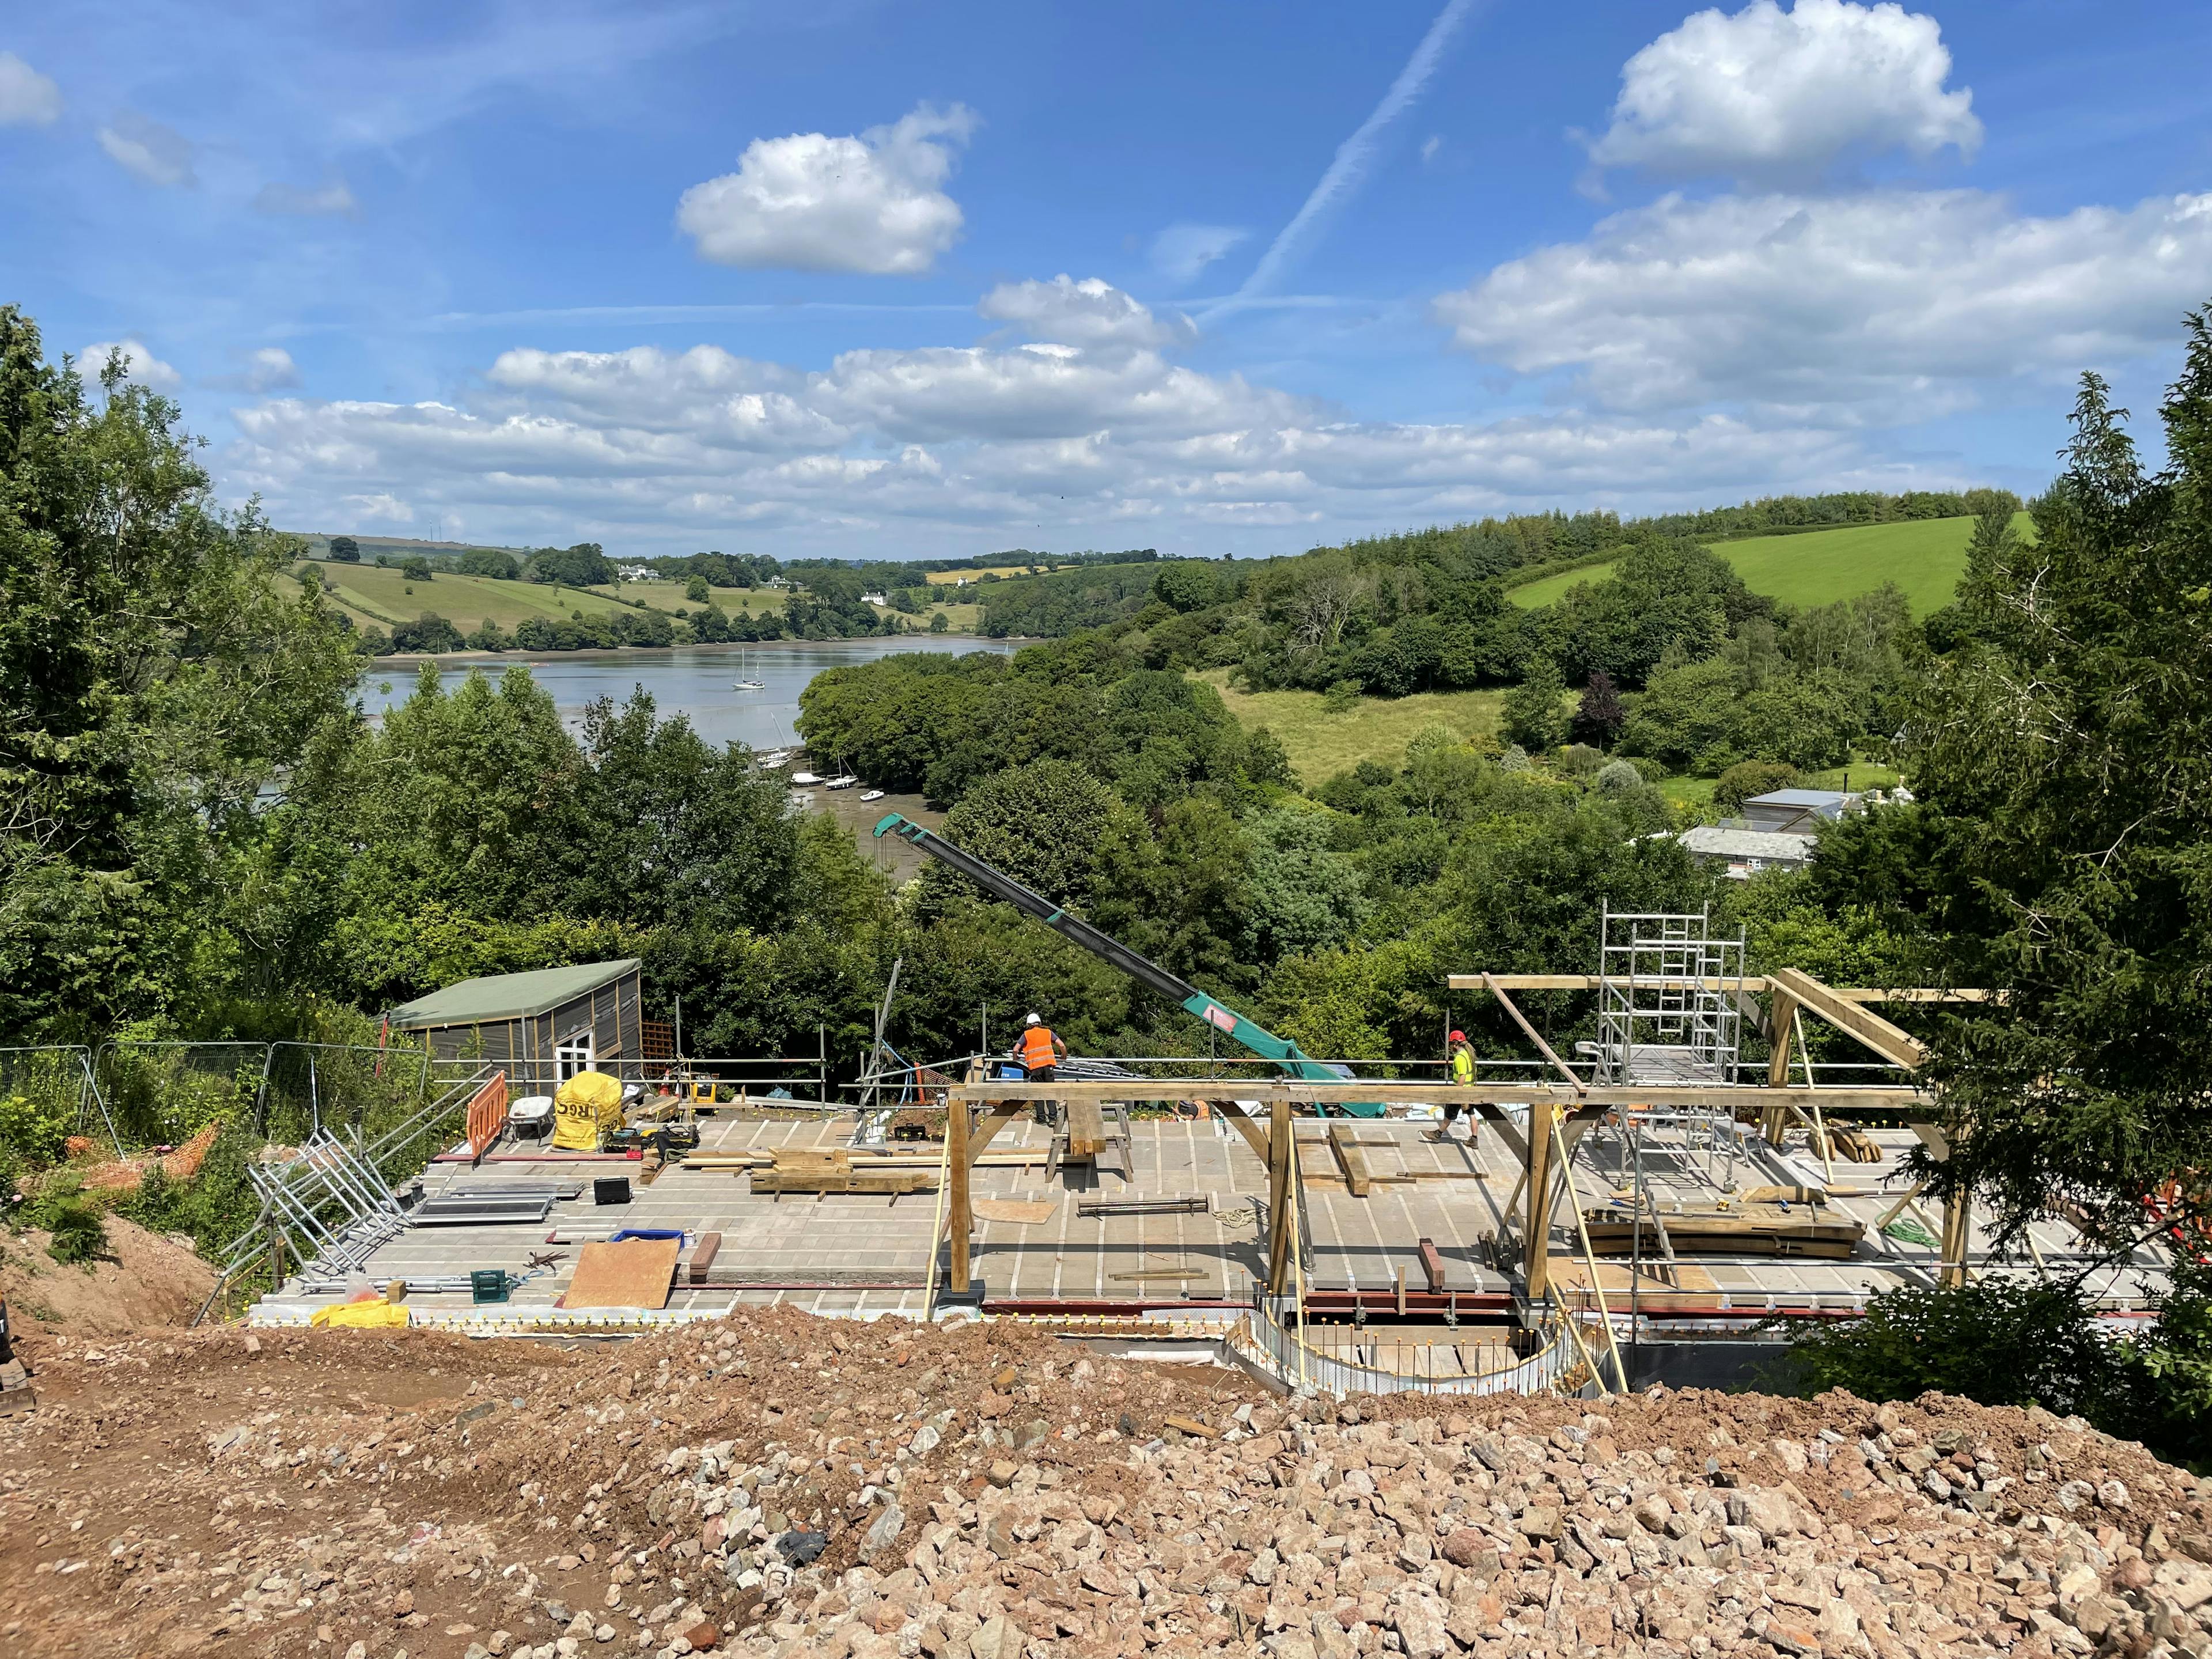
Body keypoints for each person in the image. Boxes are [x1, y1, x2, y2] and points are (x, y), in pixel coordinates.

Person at [1427, 1029, 1478, 1142]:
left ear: (1455, 1044)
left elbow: (1462, 1076)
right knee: (1472, 1114)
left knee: (1449, 1114)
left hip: (1461, 1091)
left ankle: (1438, 1135)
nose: (1450, 1046)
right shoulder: (1468, 1054)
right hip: (1470, 1090)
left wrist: (1456, 1093)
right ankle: (1474, 1139)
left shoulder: (1460, 1057)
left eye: (1451, 1044)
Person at [1017, 1012, 1068, 1082]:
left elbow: (1015, 1050)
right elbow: (1062, 1045)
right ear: (1040, 1023)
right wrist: (1064, 1057)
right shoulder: (1048, 1032)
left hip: (1035, 1068)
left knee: (1037, 1091)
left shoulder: (1026, 1034)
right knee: (1049, 1091)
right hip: (1048, 1067)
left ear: (1029, 1024)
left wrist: (1015, 1058)